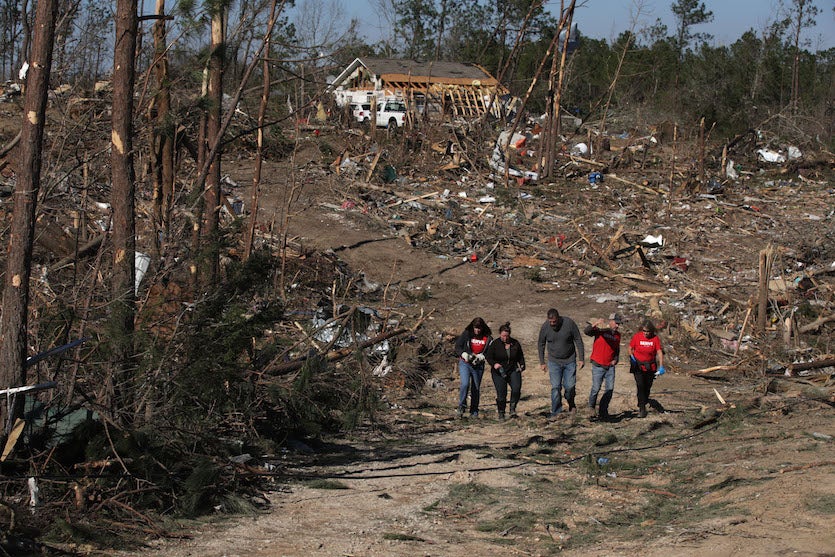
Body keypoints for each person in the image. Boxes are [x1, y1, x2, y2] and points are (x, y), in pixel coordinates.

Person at [538, 308, 585, 418]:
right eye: (550, 322)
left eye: (554, 321)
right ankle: (556, 412)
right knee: (555, 387)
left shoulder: (569, 323)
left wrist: (581, 358)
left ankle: (571, 402)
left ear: (558, 318)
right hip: (554, 361)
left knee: (569, 386)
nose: (552, 324)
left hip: (569, 360)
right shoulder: (545, 327)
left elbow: (578, 339)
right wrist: (542, 362)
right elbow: (541, 343)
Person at [583, 313, 623, 420]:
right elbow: (587, 331)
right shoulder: (600, 330)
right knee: (596, 388)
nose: (617, 326)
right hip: (598, 364)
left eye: (619, 324)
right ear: (610, 321)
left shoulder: (617, 335)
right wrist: (596, 323)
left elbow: (617, 350)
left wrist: (615, 359)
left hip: (610, 366)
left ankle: (603, 411)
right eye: (616, 323)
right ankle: (591, 408)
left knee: (609, 389)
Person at [484, 322, 526, 420]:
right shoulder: (495, 344)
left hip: (513, 369)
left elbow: (520, 356)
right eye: (503, 336)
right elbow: (489, 357)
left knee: (516, 389)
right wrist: (494, 364)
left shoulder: (515, 343)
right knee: (501, 393)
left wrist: (522, 365)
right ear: (500, 334)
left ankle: (512, 409)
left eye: (507, 336)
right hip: (499, 371)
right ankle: (501, 413)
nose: (505, 338)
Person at [454, 317, 492, 418]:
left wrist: (484, 356)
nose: (477, 330)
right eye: (476, 328)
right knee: (465, 384)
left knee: (475, 387)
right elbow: (458, 346)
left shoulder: (487, 337)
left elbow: (491, 351)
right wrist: (464, 354)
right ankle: (461, 406)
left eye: (479, 328)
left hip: (478, 365)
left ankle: (474, 410)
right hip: (465, 363)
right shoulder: (467, 334)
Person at [628, 319, 665, 418]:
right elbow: (630, 348)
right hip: (638, 366)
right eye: (644, 331)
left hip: (650, 366)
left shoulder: (655, 339)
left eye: (648, 331)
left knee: (647, 386)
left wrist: (661, 366)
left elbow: (659, 352)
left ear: (651, 331)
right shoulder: (637, 336)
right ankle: (642, 408)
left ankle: (644, 400)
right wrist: (632, 357)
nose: (646, 333)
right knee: (640, 385)